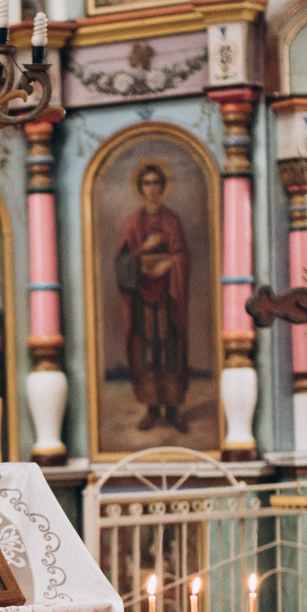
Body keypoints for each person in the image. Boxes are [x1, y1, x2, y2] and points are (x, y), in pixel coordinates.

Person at [115, 160, 189, 431]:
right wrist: (140, 252)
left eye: (156, 183)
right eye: (146, 183)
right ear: (140, 187)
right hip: (143, 298)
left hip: (168, 297)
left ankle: (172, 409)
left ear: (162, 186)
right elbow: (121, 263)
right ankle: (151, 408)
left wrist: (170, 263)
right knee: (146, 350)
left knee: (169, 349)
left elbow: (181, 255)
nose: (152, 189)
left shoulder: (171, 221)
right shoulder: (132, 223)